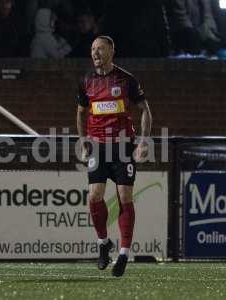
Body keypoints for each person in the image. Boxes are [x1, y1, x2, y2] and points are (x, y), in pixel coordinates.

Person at [76, 36, 152, 277]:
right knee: (94, 196)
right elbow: (80, 113)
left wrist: (143, 141)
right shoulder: (86, 80)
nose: (96, 53)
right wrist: (84, 140)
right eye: (92, 49)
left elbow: (146, 111)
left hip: (122, 147)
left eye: (100, 48)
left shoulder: (126, 79)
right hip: (98, 146)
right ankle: (103, 243)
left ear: (112, 51)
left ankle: (123, 252)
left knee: (124, 196)